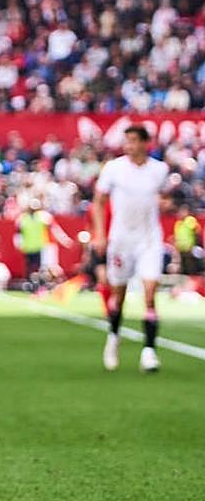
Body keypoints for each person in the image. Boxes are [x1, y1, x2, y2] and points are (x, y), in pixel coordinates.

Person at [92, 125, 170, 373]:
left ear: (146, 143)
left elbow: (164, 197)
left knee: (149, 294)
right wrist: (101, 234)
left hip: (149, 240)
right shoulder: (114, 168)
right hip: (121, 240)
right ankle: (113, 337)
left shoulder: (159, 170)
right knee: (118, 295)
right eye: (127, 141)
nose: (129, 145)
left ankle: (149, 352)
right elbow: (98, 201)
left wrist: (166, 203)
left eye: (134, 141)